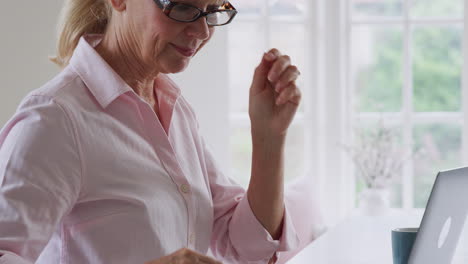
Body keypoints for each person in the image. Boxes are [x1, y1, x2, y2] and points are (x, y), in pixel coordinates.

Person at [0, 0, 303, 263]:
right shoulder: (54, 121)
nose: (203, 32)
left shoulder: (174, 109)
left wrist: (269, 138)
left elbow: (244, 246)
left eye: (212, 10)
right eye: (182, 6)